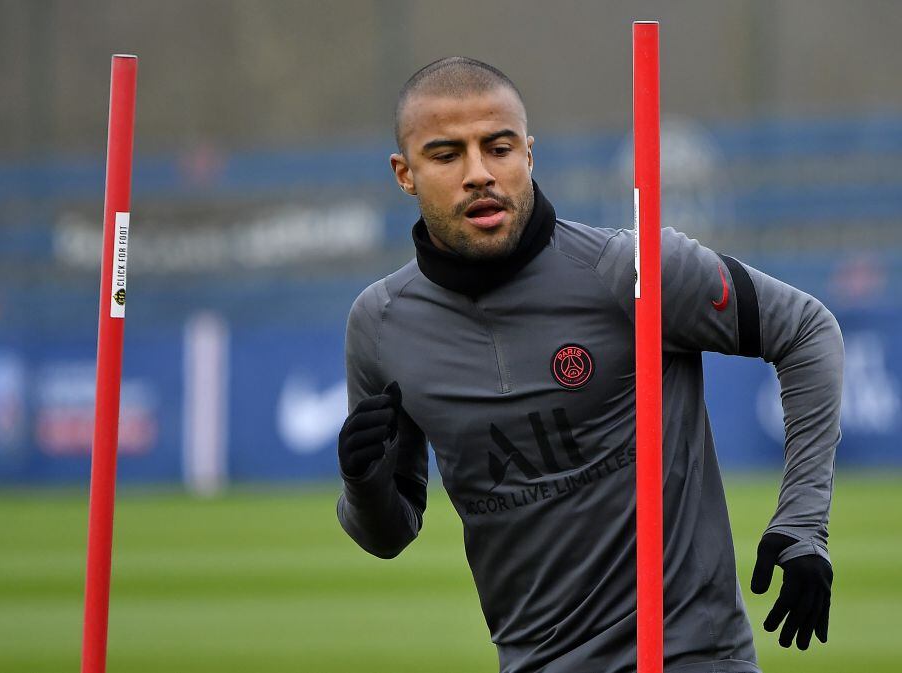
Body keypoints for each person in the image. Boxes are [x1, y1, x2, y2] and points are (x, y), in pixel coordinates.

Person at [335, 57, 841, 673]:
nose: (479, 174)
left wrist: (802, 524)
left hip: (690, 657)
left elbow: (808, 331)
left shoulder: (631, 272)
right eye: (446, 155)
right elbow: (389, 532)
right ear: (405, 174)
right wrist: (364, 484)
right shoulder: (380, 325)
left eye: (498, 147)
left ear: (529, 153)